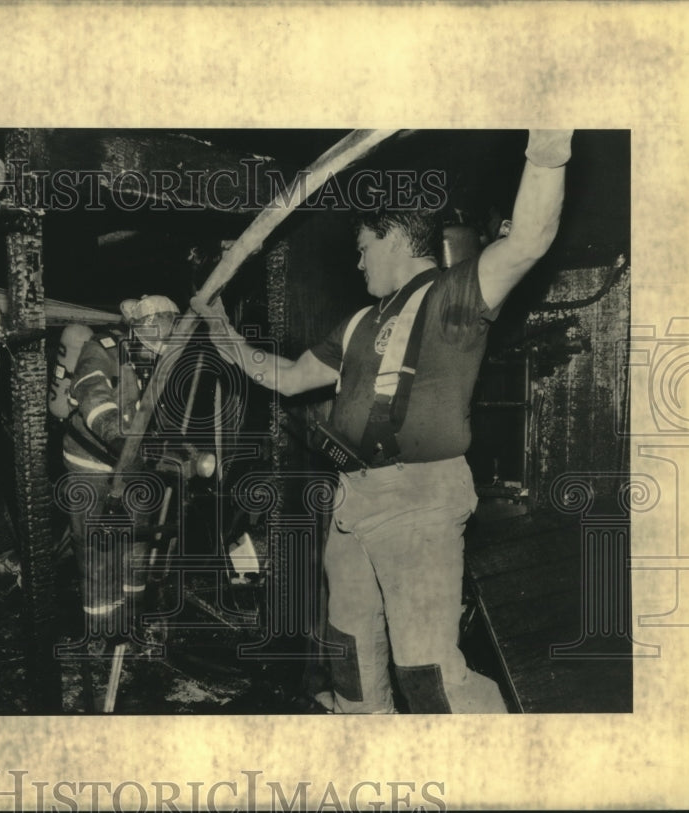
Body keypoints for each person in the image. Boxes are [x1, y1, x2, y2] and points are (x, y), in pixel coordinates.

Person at [191, 130, 573, 713]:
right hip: (354, 501)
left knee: (427, 677)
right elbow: (288, 377)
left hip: (418, 503)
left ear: (392, 235)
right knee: (348, 658)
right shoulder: (358, 323)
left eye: (363, 247)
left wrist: (548, 145)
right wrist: (219, 328)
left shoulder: (453, 297)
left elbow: (528, 240)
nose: (359, 259)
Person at [61, 294, 180, 636]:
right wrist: (117, 438)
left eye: (171, 329)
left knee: (136, 545)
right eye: (161, 328)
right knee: (97, 548)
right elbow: (91, 394)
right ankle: (101, 632)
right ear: (143, 326)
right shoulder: (103, 348)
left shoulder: (162, 358)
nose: (165, 336)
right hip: (91, 464)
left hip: (134, 467)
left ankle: (133, 620)